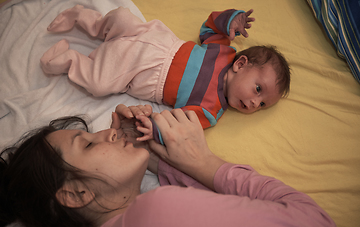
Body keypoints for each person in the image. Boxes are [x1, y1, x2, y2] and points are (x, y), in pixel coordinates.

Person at [0, 105, 337, 227]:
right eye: (88, 144)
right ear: (75, 193)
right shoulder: (156, 213)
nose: (108, 132)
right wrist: (202, 161)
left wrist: (152, 158)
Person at [40, 5, 291, 142]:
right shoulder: (223, 50)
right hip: (159, 40)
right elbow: (210, 24)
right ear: (241, 64)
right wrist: (231, 20)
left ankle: (66, 60)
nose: (254, 103)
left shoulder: (210, 111)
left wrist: (155, 130)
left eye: (262, 104)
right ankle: (81, 17)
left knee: (98, 82)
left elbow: (177, 124)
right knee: (121, 17)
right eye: (258, 90)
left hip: (144, 74)